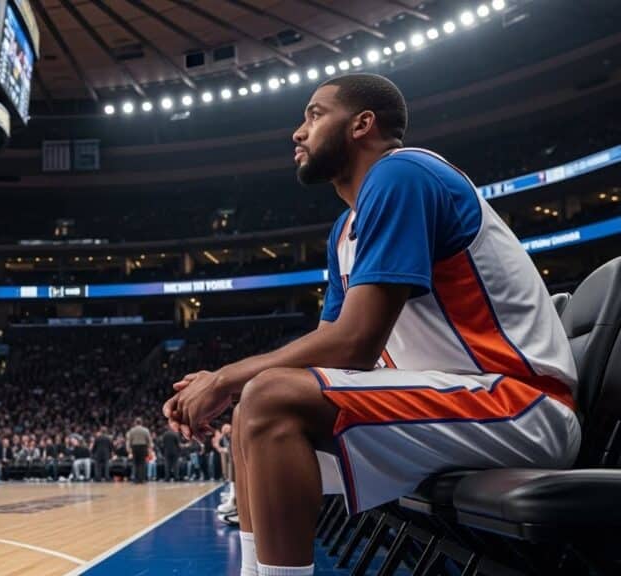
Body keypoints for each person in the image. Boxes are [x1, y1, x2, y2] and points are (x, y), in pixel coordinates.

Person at [163, 73, 581, 576]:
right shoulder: (345, 229)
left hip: (520, 404)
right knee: (255, 423)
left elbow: (354, 345)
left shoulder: (402, 174)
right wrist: (229, 388)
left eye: (315, 115)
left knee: (267, 400)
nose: (299, 132)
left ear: (362, 124)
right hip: (454, 404)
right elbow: (327, 345)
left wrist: (226, 379)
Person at [126, 417, 152, 484]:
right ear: (141, 423)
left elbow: (129, 441)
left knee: (135, 463)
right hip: (143, 447)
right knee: (142, 464)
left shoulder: (132, 430)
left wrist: (129, 450)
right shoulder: (145, 430)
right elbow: (149, 440)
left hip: (134, 447)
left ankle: (136, 479)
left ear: (135, 423)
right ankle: (142, 479)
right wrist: (150, 449)